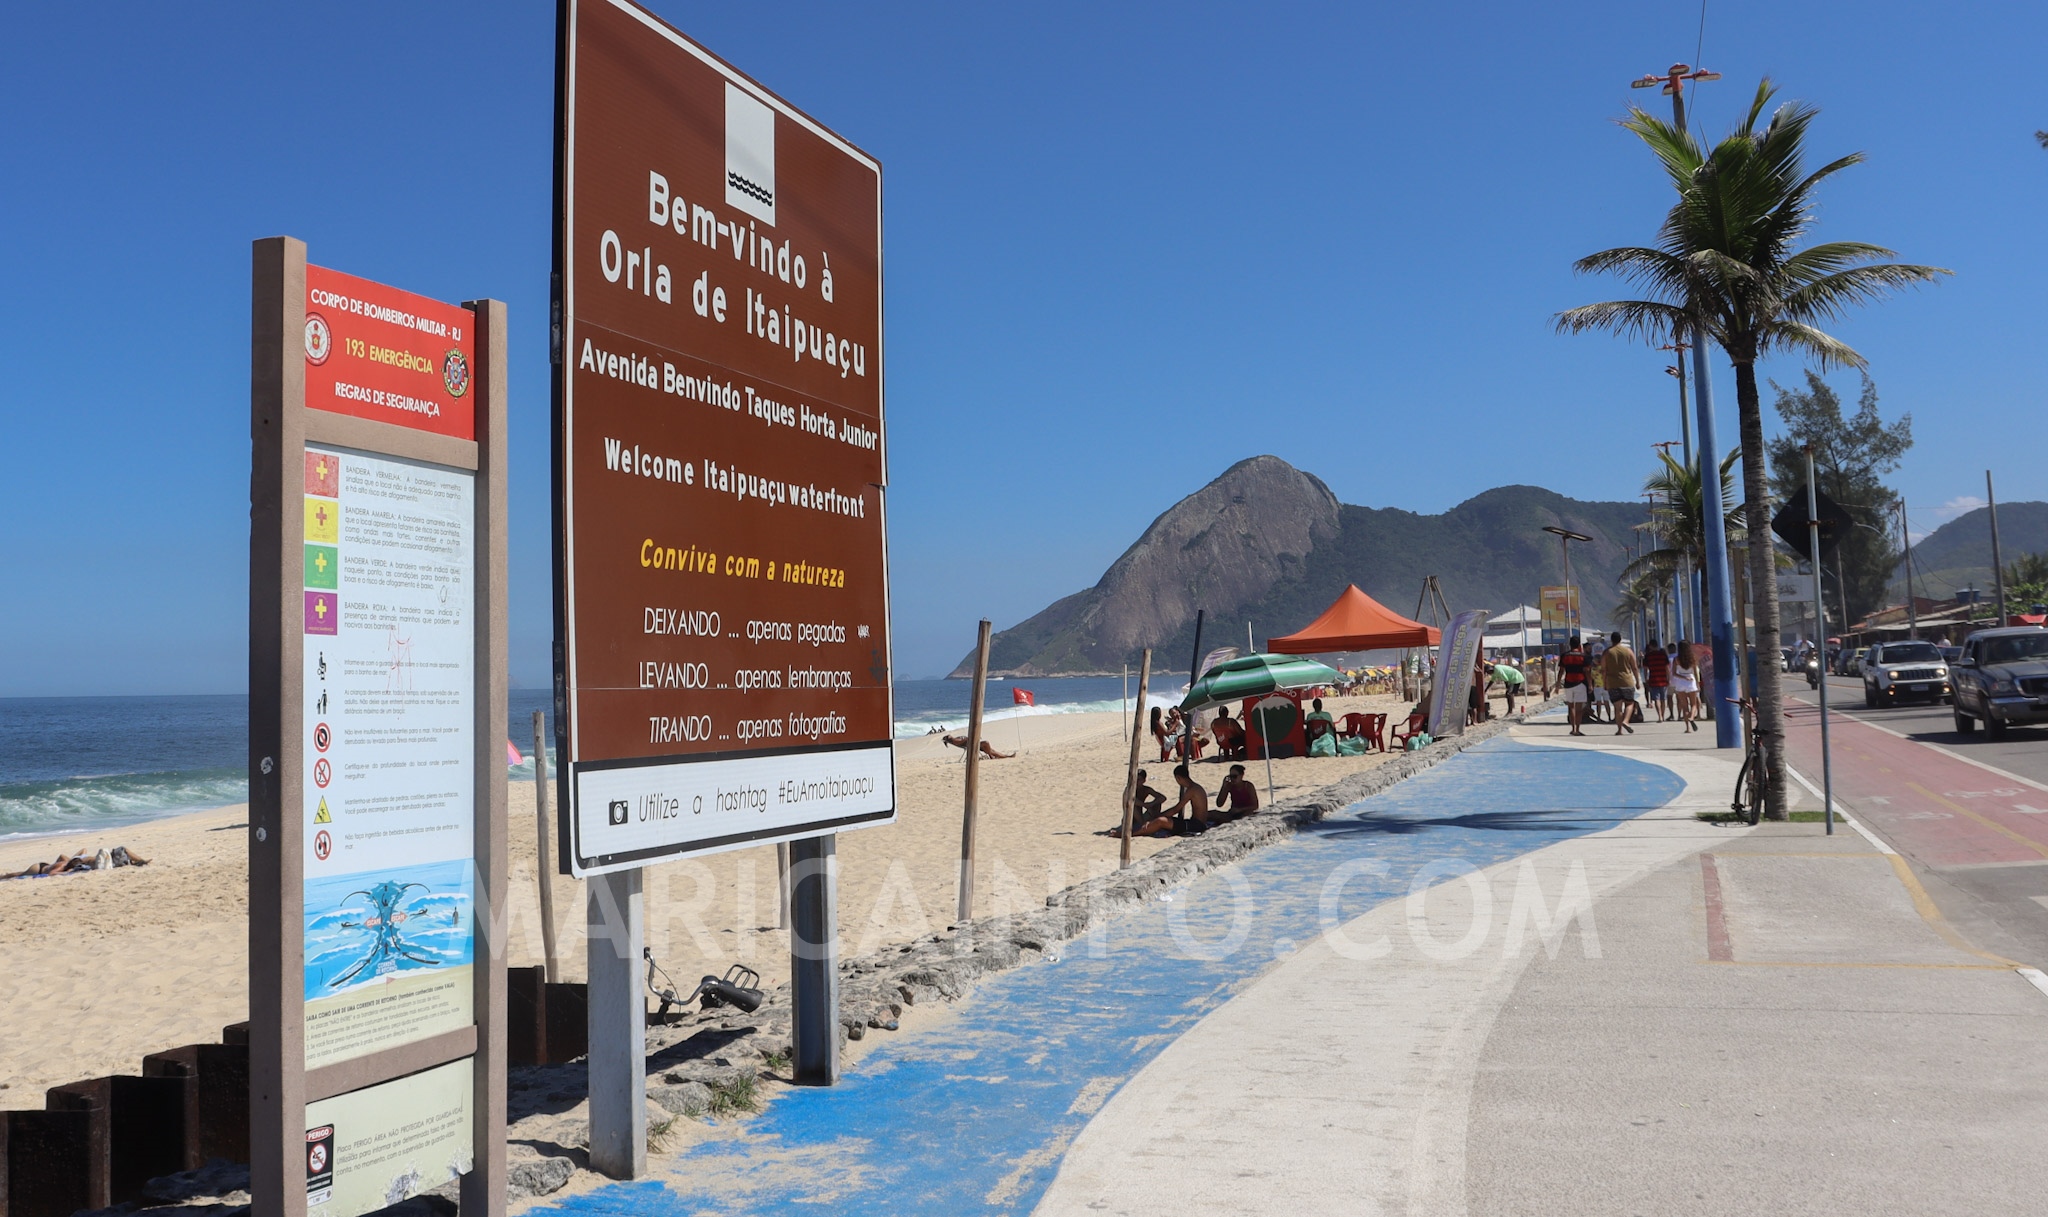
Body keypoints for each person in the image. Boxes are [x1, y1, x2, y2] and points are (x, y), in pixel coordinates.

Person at [1602, 631, 1639, 735]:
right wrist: (1637, 681)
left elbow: (1603, 669)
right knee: (1630, 703)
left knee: (1617, 707)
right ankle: (1626, 721)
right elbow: (1634, 667)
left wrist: (1605, 682)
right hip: (1627, 681)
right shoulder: (1628, 651)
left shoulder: (1607, 652)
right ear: (1620, 639)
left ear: (1611, 640)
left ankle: (1619, 730)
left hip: (1612, 682)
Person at [1558, 635, 1589, 735]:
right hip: (1580, 682)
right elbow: (1587, 671)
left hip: (1568, 683)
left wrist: (1558, 684)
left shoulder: (1564, 656)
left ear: (1570, 645)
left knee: (1571, 707)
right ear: (1579, 645)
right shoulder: (1583, 656)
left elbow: (1561, 671)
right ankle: (1578, 729)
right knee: (1579, 708)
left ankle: (1572, 728)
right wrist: (1590, 685)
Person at [1167, 763, 1212, 829]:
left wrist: (1159, 816)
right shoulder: (1196, 787)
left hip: (1197, 825)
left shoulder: (1191, 789)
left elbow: (1176, 809)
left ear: (1178, 778)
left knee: (1161, 821)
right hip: (1200, 823)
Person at [1670, 640, 1701, 732]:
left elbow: (1674, 673)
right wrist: (1697, 683)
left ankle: (1688, 728)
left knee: (1684, 706)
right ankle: (1692, 717)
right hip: (1691, 681)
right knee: (1694, 704)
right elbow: (1695, 672)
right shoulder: (1693, 658)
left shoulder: (1676, 659)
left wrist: (1683, 677)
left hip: (1680, 682)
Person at [1642, 636, 1671, 723]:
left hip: (1653, 679)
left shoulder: (1648, 656)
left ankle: (1660, 716)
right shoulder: (1663, 655)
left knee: (1656, 699)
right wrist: (1668, 678)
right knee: (1663, 699)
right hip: (1663, 679)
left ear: (1650, 646)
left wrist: (1646, 678)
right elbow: (1667, 668)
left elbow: (1645, 669)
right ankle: (1663, 714)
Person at [942, 733, 1014, 759]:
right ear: (949, 739)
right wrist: (975, 736)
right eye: (948, 736)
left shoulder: (955, 740)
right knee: (987, 744)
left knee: (991, 750)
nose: (950, 735)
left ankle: (1005, 756)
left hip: (974, 744)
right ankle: (992, 755)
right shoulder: (956, 741)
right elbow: (966, 739)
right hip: (974, 745)